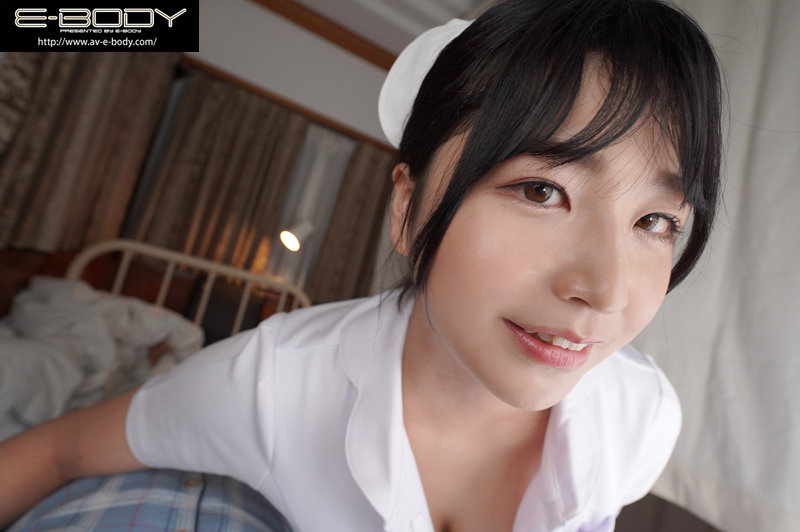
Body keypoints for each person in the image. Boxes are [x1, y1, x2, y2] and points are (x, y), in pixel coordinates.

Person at [0, 0, 722, 530]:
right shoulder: (273, 386)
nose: (605, 290)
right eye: (542, 190)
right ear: (407, 209)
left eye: (655, 222)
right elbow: (59, 451)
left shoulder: (642, 416)